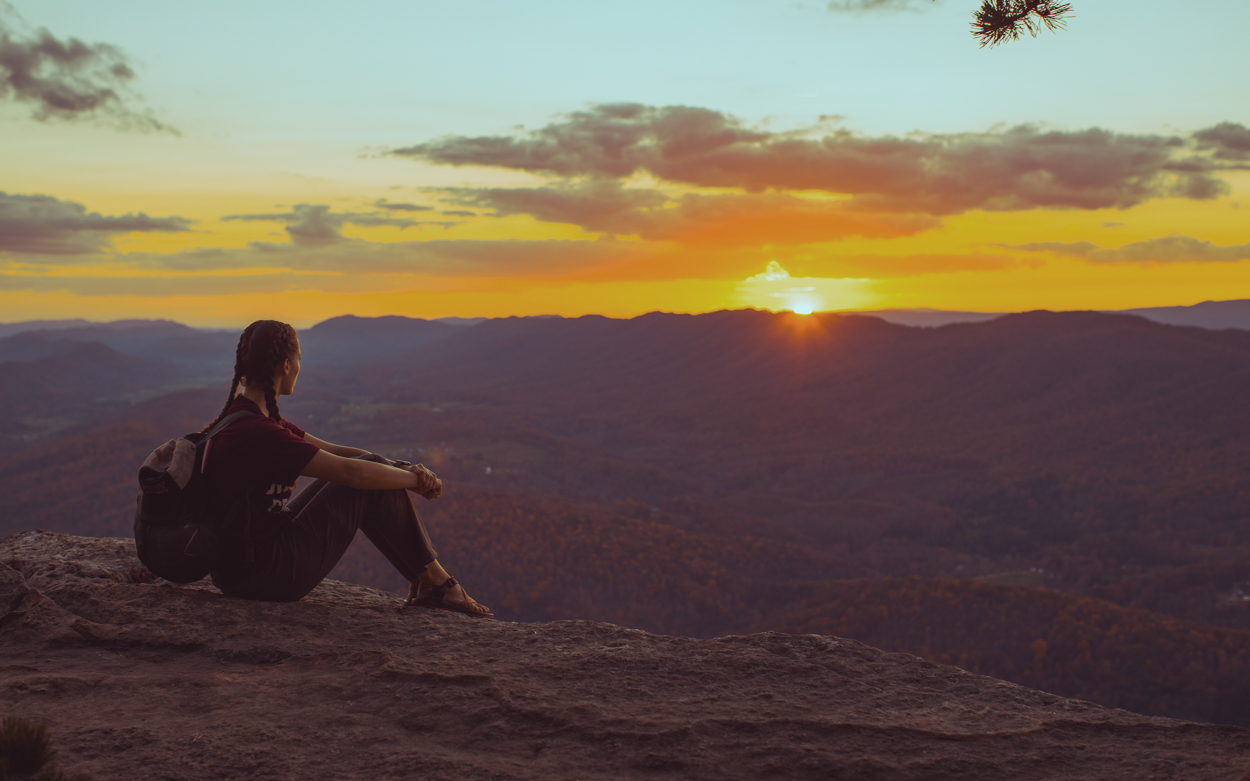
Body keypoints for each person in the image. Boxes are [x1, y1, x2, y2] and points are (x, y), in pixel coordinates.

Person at [199, 319, 491, 617]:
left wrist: (404, 470)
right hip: (265, 575)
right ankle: (439, 584)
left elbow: (340, 453)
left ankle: (430, 581)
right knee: (368, 481)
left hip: (248, 567)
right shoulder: (259, 432)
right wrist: (412, 480)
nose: (300, 367)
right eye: (299, 360)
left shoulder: (248, 418)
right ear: (286, 365)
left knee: (375, 470)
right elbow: (354, 473)